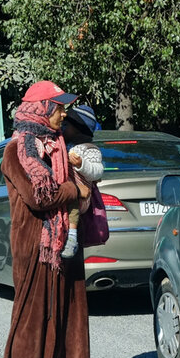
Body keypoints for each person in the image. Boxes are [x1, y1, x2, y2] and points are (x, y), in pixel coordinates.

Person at [0, 80, 92, 358]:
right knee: (32, 309)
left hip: (63, 239)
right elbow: (41, 197)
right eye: (58, 107)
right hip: (33, 242)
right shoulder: (18, 150)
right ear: (41, 109)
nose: (63, 113)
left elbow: (72, 184)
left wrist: (78, 189)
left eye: (63, 107)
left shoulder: (58, 146)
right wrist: (73, 191)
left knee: (65, 306)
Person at [60, 104, 103, 259]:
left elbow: (97, 171)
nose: (63, 128)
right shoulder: (65, 145)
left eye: (67, 125)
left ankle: (72, 238)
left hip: (81, 196)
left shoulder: (90, 149)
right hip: (70, 191)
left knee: (72, 202)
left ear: (78, 128)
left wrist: (81, 165)